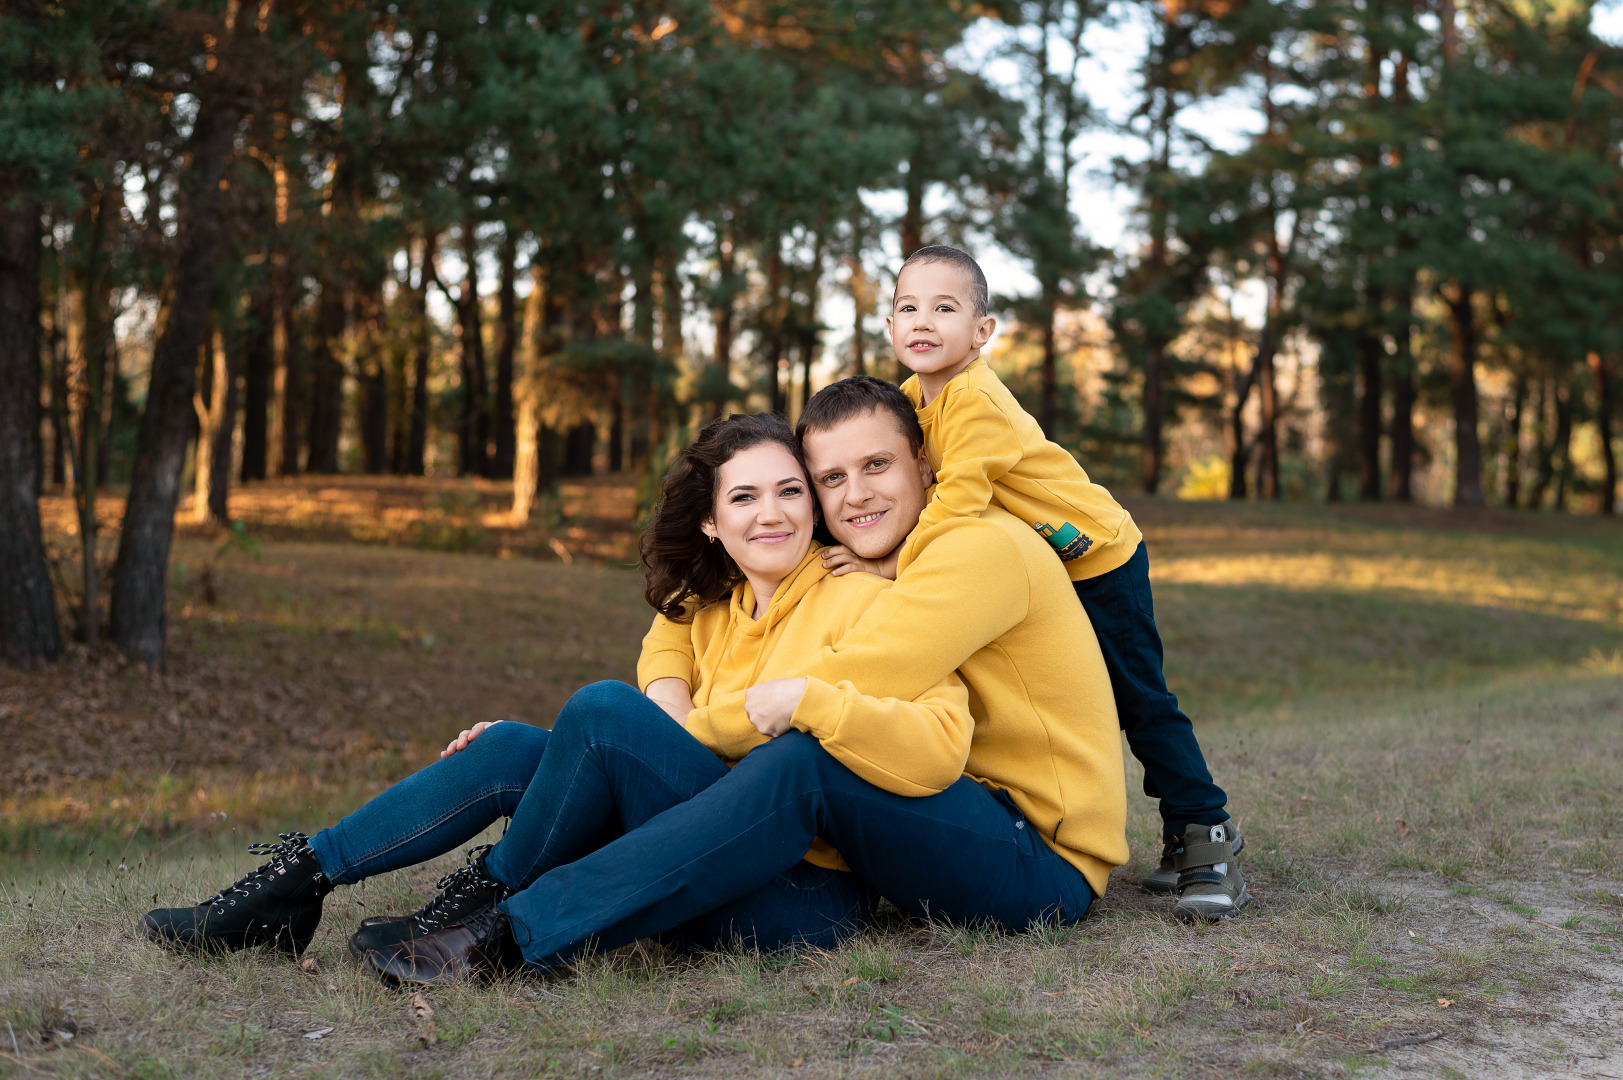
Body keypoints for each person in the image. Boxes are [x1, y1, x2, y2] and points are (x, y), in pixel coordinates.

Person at [140, 414, 971, 973]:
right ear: (713, 523)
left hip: (795, 893)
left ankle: (478, 915)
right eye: (745, 497)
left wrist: (686, 725)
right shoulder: (711, 611)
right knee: (509, 744)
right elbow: (666, 665)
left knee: (602, 713)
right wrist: (659, 710)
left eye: (791, 491)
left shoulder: (859, 596)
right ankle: (288, 893)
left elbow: (936, 728)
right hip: (694, 842)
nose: (774, 515)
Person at [366, 378, 1130, 985]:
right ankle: (371, 884)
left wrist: (675, 731)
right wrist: (608, 732)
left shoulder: (968, 553)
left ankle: (517, 929)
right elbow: (692, 606)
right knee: (613, 736)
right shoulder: (865, 552)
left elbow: (851, 690)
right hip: (936, 822)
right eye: (830, 478)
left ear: (925, 469)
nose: (854, 495)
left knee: (802, 755)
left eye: (876, 467)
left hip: (1039, 855)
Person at [827, 245, 1245, 919]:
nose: (922, 320)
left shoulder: (975, 401)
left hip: (1098, 554)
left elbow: (957, 498)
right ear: (889, 324)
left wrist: (887, 563)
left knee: (1138, 699)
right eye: (908, 307)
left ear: (981, 331)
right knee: (1082, 703)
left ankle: (1205, 836)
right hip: (1043, 564)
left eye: (944, 307)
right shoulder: (911, 399)